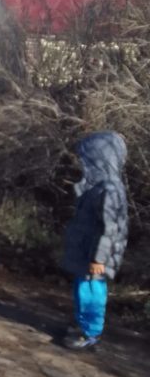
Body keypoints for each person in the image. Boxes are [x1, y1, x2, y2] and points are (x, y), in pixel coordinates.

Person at [61, 131, 128, 351]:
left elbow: (110, 228)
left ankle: (91, 332)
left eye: (88, 160)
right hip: (88, 253)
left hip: (96, 257)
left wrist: (99, 258)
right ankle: (83, 323)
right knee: (83, 289)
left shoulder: (109, 189)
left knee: (91, 292)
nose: (84, 164)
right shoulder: (99, 187)